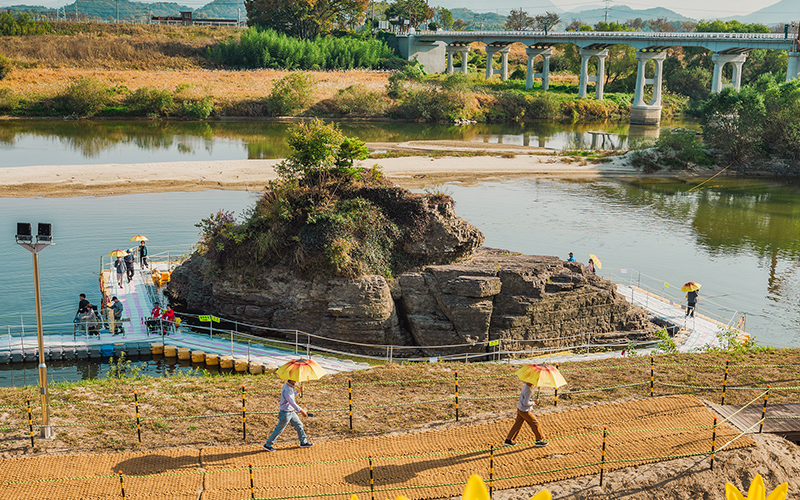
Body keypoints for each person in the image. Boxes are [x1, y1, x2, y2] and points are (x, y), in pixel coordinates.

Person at [262, 378, 314, 452]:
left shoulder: (289, 387)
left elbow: (291, 396)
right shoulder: (287, 389)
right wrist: (301, 410)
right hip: (285, 413)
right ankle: (268, 445)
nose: (296, 382)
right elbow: (291, 401)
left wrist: (298, 391)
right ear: (292, 380)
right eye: (295, 380)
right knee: (279, 429)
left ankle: (303, 442)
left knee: (299, 425)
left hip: (291, 412)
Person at [505, 382, 547, 448]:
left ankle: (508, 440)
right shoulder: (529, 390)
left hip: (520, 409)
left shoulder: (526, 386)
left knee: (517, 424)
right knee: (535, 424)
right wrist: (534, 403)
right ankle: (539, 440)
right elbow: (526, 402)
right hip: (525, 411)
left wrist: (531, 408)